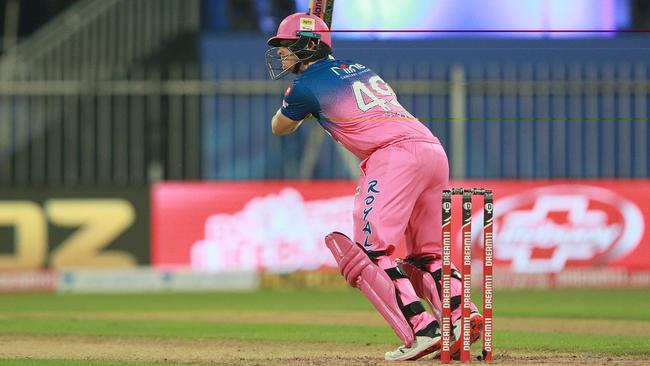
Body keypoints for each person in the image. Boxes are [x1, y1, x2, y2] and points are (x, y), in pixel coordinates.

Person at [266, 12, 483, 361]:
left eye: (287, 46)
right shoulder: (360, 68)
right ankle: (461, 313)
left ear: (308, 46)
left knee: (371, 253)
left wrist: (296, 104)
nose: (281, 54)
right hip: (431, 150)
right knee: (426, 256)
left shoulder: (304, 88)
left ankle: (423, 330)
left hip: (392, 157)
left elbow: (280, 127)